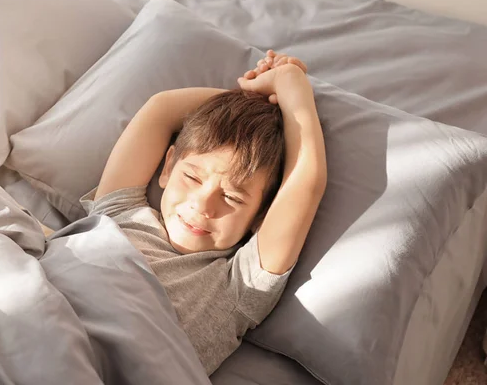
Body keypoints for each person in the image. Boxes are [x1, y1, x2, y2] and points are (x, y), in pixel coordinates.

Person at [79, 50, 327, 374]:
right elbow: (160, 109)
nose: (202, 205)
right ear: (168, 167)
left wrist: (289, 81)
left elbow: (306, 178)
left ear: (259, 218)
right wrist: (252, 98)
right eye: (192, 177)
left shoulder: (239, 287)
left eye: (233, 198)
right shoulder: (118, 214)